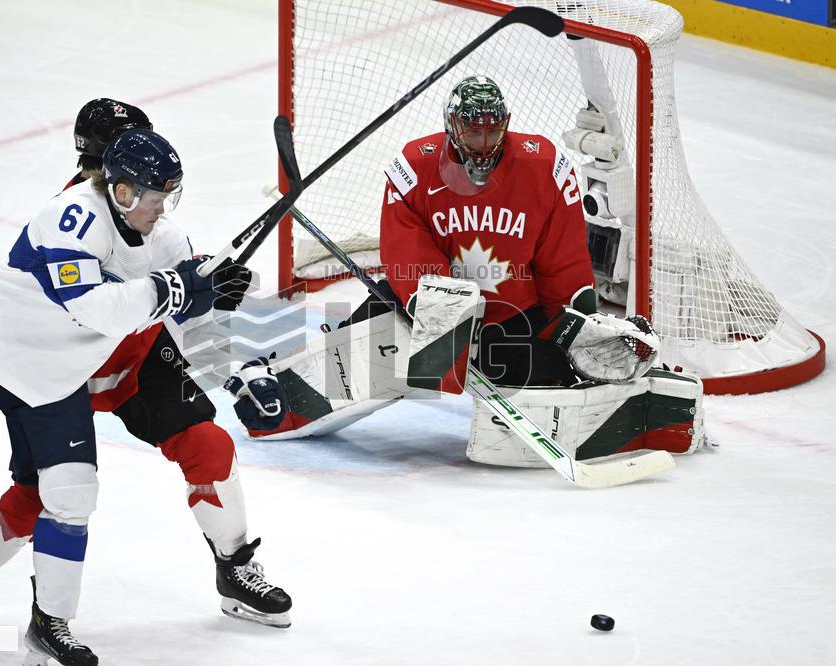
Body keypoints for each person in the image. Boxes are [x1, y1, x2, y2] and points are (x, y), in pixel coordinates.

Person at [0, 99, 291, 648]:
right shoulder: (72, 217)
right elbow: (101, 305)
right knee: (47, 493)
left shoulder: (156, 222)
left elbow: (187, 311)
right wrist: (180, 290)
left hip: (135, 362)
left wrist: (227, 344)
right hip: (62, 370)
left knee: (209, 444)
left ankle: (234, 565)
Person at [243, 75, 705, 465]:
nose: (483, 143)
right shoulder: (414, 168)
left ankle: (652, 396)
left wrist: (576, 321)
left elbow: (562, 259)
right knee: (364, 350)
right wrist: (445, 311)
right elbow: (406, 253)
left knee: (555, 375)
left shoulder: (545, 167)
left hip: (513, 320)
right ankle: (270, 386)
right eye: (472, 130)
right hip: (423, 312)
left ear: (504, 125)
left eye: (491, 130)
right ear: (452, 125)